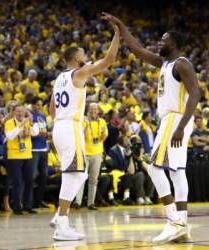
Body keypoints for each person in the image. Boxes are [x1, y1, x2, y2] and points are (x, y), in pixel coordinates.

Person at [102, 13, 200, 242]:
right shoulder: (165, 63)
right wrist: (121, 26)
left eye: (164, 39)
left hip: (176, 119)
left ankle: (173, 220)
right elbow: (137, 49)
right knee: (177, 171)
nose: (159, 42)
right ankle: (181, 223)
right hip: (174, 120)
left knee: (155, 168)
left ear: (174, 44)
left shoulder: (182, 63)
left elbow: (195, 93)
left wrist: (180, 126)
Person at [48, 17, 120, 241]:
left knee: (77, 173)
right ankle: (61, 221)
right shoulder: (78, 73)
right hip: (70, 127)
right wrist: (118, 33)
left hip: (59, 127)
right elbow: (109, 60)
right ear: (74, 58)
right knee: (78, 173)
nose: (85, 54)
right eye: (82, 52)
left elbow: (51, 109)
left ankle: (61, 218)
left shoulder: (59, 78)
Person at [5, 104, 39, 214]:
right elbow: (10, 136)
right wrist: (21, 126)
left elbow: (35, 132)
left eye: (22, 111)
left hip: (28, 155)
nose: (20, 113)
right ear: (14, 112)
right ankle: (17, 207)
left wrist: (32, 122)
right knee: (17, 182)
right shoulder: (9, 123)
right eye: (18, 111)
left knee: (29, 181)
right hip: (14, 156)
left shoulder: (28, 122)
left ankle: (28, 205)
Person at [74, 102, 108, 210]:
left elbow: (104, 137)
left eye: (95, 109)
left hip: (97, 154)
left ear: (98, 111)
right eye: (91, 109)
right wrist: (86, 126)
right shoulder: (84, 121)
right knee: (81, 178)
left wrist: (103, 133)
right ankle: (78, 202)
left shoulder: (102, 121)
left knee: (93, 179)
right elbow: (80, 136)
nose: (93, 111)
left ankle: (91, 203)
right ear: (88, 110)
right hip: (85, 154)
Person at [30, 97, 50, 208]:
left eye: (41, 104)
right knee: (32, 176)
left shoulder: (43, 116)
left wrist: (47, 134)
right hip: (34, 149)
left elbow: (44, 131)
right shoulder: (29, 116)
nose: (39, 107)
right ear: (32, 105)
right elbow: (30, 133)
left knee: (44, 175)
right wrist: (39, 134)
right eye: (37, 104)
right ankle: (29, 201)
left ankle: (39, 200)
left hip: (43, 149)